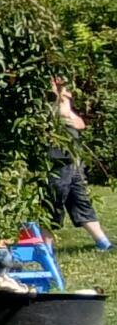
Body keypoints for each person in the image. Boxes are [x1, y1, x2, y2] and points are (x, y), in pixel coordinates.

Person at [50, 77, 112, 250]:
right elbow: (61, 114)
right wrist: (61, 100)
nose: (70, 93)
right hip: (57, 159)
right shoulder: (48, 99)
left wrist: (68, 113)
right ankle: (45, 248)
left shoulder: (64, 102)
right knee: (54, 201)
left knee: (80, 199)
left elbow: (80, 124)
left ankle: (103, 243)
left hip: (73, 160)